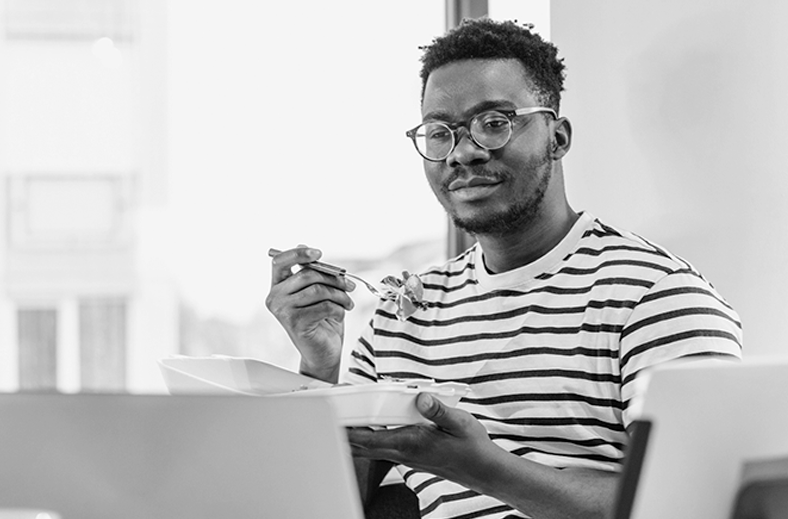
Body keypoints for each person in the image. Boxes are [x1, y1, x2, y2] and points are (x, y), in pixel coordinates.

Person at [267, 18, 743, 519]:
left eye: (494, 122)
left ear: (557, 138)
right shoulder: (403, 317)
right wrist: (319, 367)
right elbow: (331, 502)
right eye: (439, 132)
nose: (464, 152)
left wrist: (482, 468)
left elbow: (698, 504)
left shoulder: (656, 297)